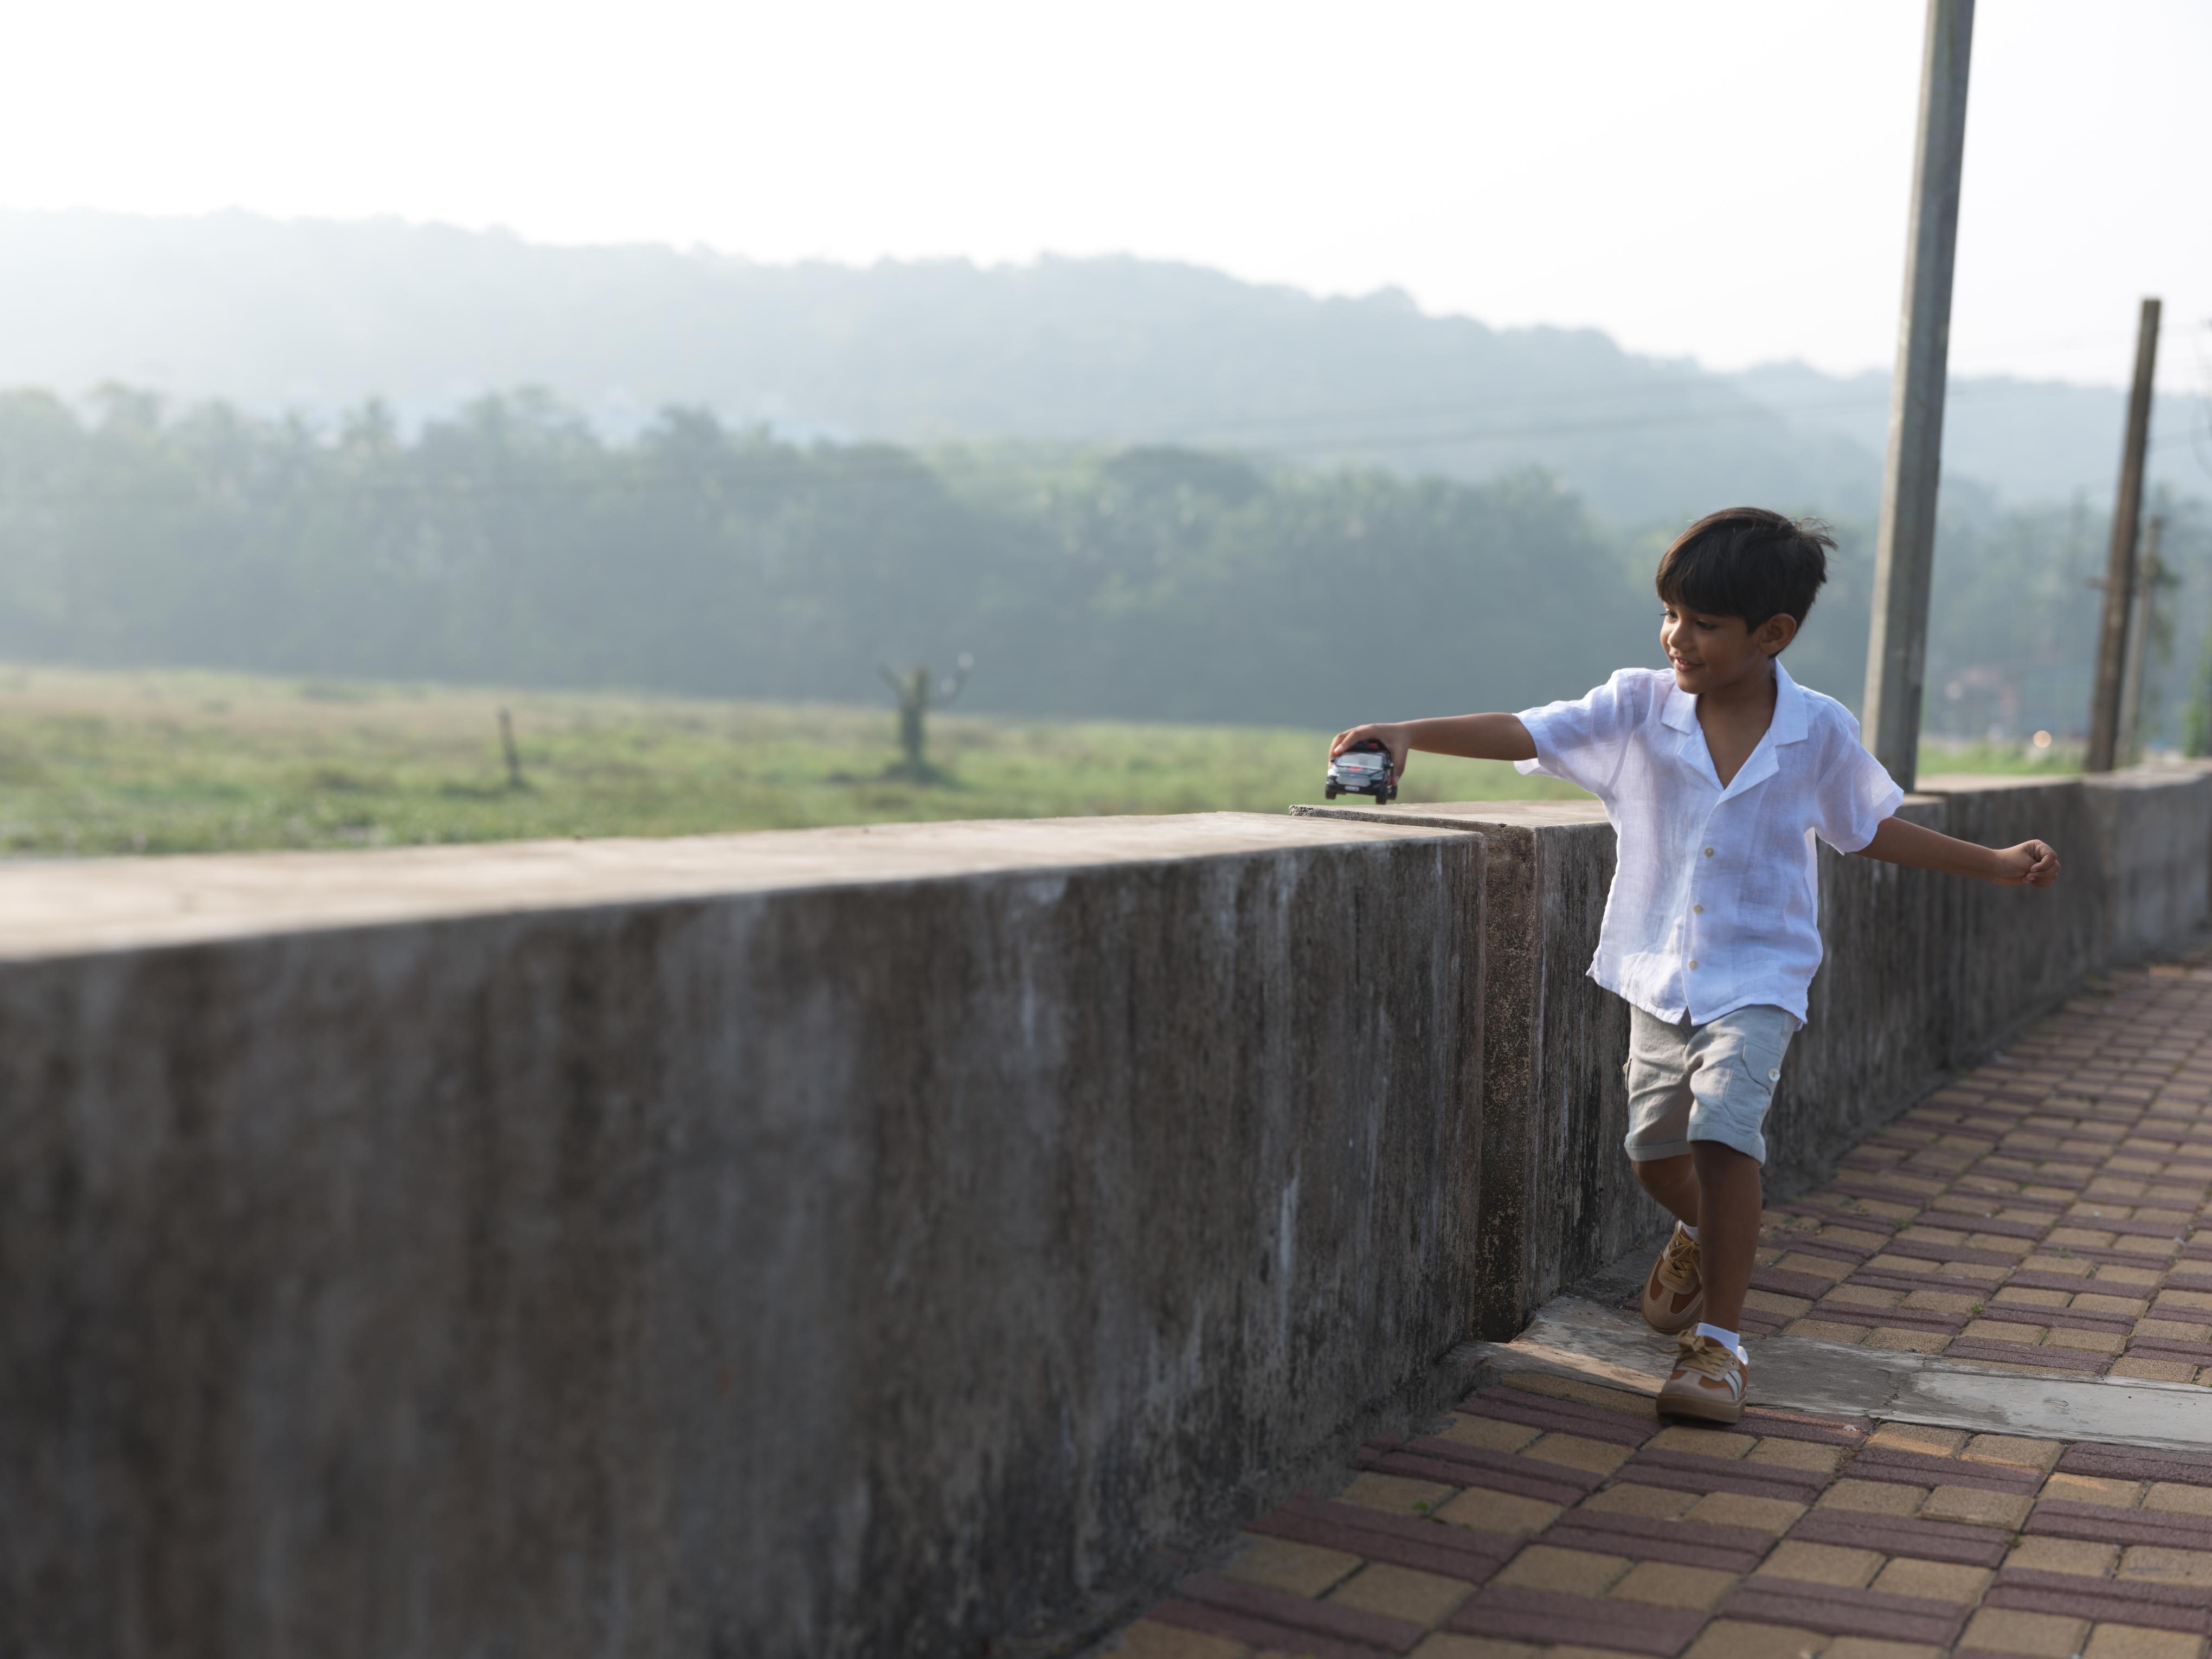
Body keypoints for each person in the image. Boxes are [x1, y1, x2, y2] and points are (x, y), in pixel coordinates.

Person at [1329, 507, 2060, 1424]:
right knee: (1652, 1155)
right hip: (1658, 974)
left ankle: (1719, 1345)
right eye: (1671, 613)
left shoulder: (1817, 731)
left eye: (1705, 622)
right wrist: (1408, 731)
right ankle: (1700, 1233)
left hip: (1760, 976)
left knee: (1724, 1135)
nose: (1679, 636)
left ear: (1774, 635)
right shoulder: (1637, 707)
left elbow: (1867, 828)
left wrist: (1993, 862)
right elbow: (1529, 730)